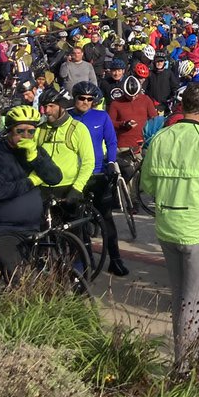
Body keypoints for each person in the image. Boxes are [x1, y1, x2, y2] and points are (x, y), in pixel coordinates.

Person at [139, 83, 199, 368]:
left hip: (167, 226)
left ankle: (184, 354)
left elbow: (147, 184)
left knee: (180, 297)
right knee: (197, 301)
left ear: (180, 106)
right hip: (197, 228)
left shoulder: (162, 137)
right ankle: (186, 365)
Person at [0, 105, 63, 275]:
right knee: (20, 276)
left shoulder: (35, 151)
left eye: (31, 132)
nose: (26, 136)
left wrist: (35, 158)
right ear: (9, 131)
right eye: (20, 130)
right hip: (2, 228)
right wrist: (31, 181)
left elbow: (55, 178)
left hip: (34, 227)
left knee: (48, 273)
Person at [70, 81, 128, 276]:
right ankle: (85, 259)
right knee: (79, 221)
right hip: (77, 176)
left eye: (90, 99)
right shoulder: (68, 117)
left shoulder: (101, 116)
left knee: (106, 219)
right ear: (75, 98)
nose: (86, 102)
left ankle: (115, 259)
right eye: (82, 98)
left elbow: (111, 141)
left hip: (99, 174)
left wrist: (111, 162)